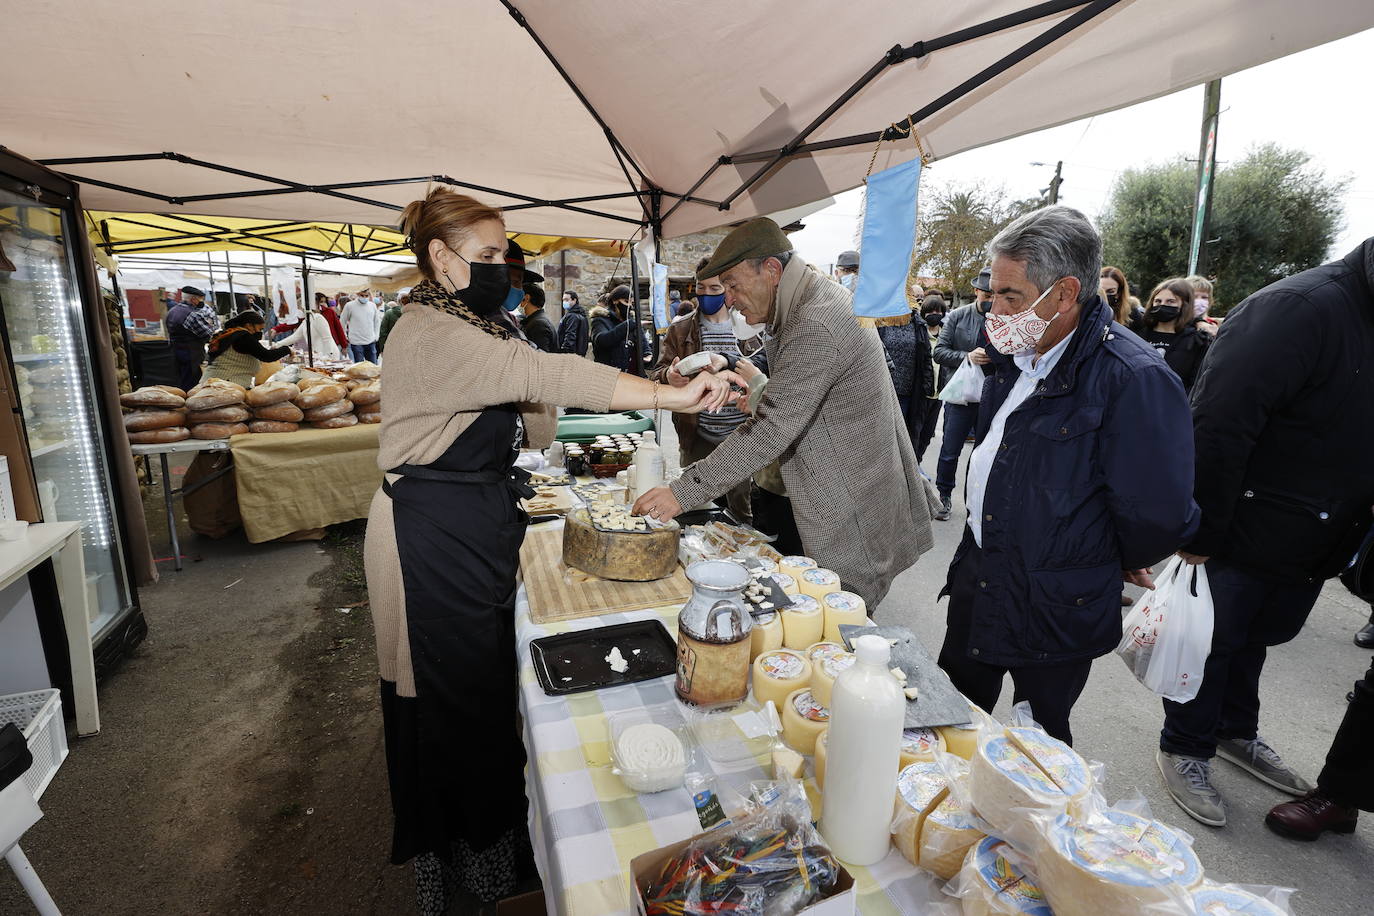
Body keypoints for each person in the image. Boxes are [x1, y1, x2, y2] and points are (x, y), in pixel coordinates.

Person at [365, 188, 740, 915]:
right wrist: (672, 399)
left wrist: (644, 379)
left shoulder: (474, 319)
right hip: (426, 537)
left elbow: (536, 408)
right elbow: (550, 377)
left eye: (504, 253)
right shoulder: (428, 331)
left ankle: (498, 847)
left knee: (481, 695)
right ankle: (461, 875)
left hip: (468, 522)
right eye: (487, 256)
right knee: (448, 704)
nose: (502, 267)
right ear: (440, 258)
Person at [937, 206, 1198, 746]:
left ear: (1064, 293)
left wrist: (1104, 552)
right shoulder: (1017, 354)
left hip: (1056, 599)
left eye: (1010, 295)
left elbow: (1159, 512)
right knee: (951, 724)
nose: (993, 309)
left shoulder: (1133, 376)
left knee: (1037, 747)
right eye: (992, 292)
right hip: (983, 577)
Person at [1156, 237, 1374, 829]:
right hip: (1245, 524)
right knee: (1214, 638)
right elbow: (1219, 423)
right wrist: (1200, 527)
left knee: (1253, 639)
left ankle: (1232, 730)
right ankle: (1185, 745)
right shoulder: (1301, 307)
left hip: (1314, 533)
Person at [633, 217, 934, 607]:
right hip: (837, 492)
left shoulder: (816, 320)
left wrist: (681, 492)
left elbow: (770, 428)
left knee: (835, 623)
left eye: (734, 286)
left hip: (849, 506)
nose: (729, 300)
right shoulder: (806, 300)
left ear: (771, 271)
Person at [649, 259, 765, 521]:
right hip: (697, 432)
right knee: (689, 505)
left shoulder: (749, 327)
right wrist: (670, 375)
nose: (707, 295)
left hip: (741, 432)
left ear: (727, 288)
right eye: (701, 289)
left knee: (741, 510)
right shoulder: (681, 328)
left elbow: (764, 369)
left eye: (715, 289)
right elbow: (657, 373)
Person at [931, 268, 993, 520]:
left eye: (996, 293)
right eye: (987, 292)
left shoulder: (1007, 319)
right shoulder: (957, 316)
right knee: (950, 449)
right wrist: (966, 356)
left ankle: (976, 501)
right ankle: (943, 496)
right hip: (961, 395)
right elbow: (939, 352)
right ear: (977, 291)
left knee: (984, 453)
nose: (991, 298)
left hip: (992, 396)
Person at [876, 290, 935, 456]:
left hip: (909, 393)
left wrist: (927, 385)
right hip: (884, 391)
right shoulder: (880, 320)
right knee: (883, 439)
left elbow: (925, 356)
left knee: (905, 439)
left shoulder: (917, 323)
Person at [1137, 278, 1210, 393]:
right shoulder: (1138, 334)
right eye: (1158, 301)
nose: (1162, 305)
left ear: (1184, 304)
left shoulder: (1196, 341)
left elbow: (1196, 383)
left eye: (1170, 301)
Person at [200, 312, 292, 387]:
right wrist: (286, 349)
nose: (260, 332)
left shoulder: (231, 333)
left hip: (214, 380)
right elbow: (267, 356)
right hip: (225, 383)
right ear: (249, 325)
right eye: (259, 329)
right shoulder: (243, 336)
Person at [912, 297, 946, 466]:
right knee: (915, 433)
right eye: (931, 312)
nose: (935, 315)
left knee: (927, 434)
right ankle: (913, 466)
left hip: (938, 395)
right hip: (921, 393)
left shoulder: (946, 335)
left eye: (938, 312)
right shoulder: (919, 333)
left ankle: (918, 464)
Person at [165, 286, 219, 390]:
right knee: (192, 383)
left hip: (175, 351)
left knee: (180, 380)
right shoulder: (192, 314)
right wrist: (212, 326)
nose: (201, 302)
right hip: (191, 353)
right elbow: (208, 334)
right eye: (200, 299)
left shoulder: (172, 311)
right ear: (193, 299)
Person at [590, 284, 636, 370]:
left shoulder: (631, 321)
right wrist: (628, 325)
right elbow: (602, 340)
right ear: (615, 301)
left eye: (632, 303)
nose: (630, 305)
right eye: (626, 301)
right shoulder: (600, 320)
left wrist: (647, 352)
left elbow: (641, 341)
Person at [518, 283, 558, 352]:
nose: (517, 302)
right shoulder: (535, 319)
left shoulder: (539, 324)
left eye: (519, 298)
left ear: (526, 298)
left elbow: (539, 358)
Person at [342, 292, 381, 363]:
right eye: (362, 295)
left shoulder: (372, 305)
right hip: (356, 342)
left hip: (370, 341)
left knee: (373, 368)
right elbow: (342, 321)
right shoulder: (350, 305)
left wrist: (376, 336)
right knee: (358, 369)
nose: (364, 297)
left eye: (366, 295)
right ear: (358, 294)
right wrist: (345, 336)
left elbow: (377, 322)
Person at [557, 290, 589, 356]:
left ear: (574, 300)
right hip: (579, 354)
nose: (564, 302)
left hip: (570, 355)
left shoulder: (572, 316)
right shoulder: (581, 315)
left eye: (566, 300)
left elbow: (570, 336)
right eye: (563, 300)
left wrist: (564, 352)